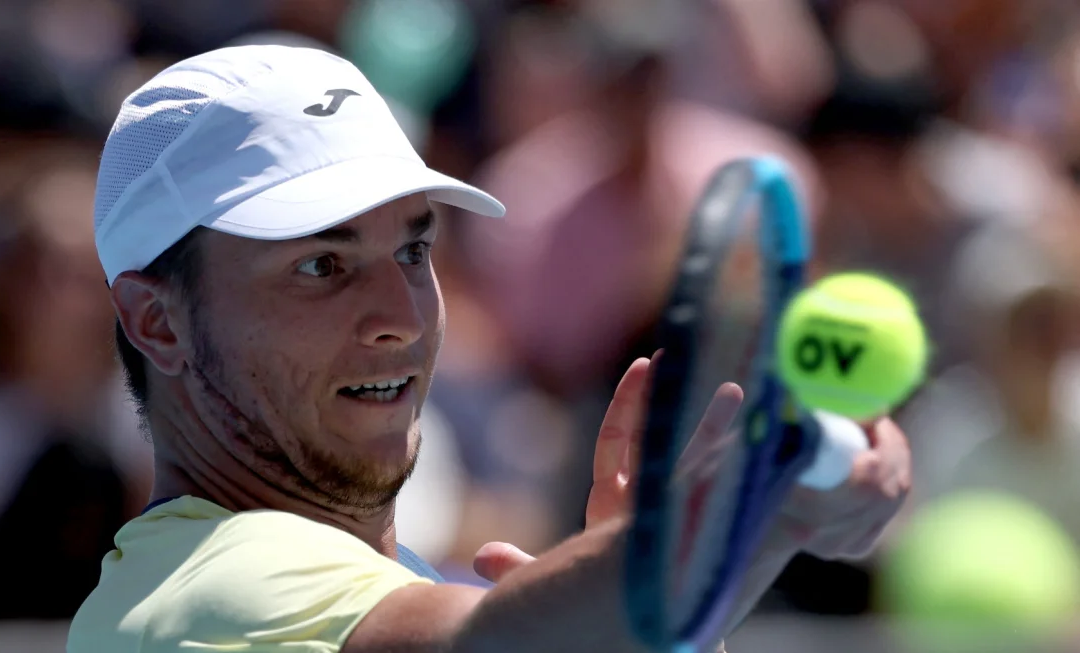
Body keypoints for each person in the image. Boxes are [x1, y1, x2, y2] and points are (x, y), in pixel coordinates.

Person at [68, 45, 911, 653]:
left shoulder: (403, 592)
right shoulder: (195, 592)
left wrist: (637, 605)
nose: (400, 313)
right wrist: (712, 533)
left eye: (413, 248)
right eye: (321, 264)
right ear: (157, 321)